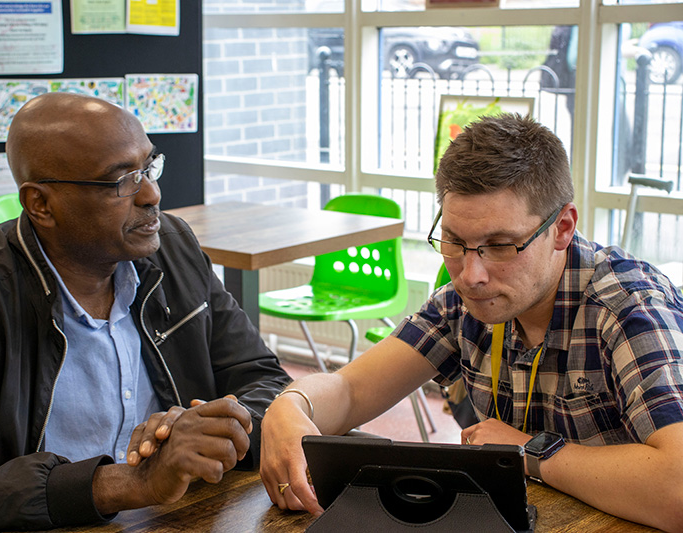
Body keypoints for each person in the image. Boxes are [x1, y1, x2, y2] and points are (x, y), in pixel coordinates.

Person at [0, 93, 291, 532]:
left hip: (177, 517)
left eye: (150, 168)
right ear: (41, 204)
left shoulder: (173, 248)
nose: (152, 194)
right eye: (123, 181)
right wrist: (125, 484)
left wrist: (214, 433)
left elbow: (265, 380)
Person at [260, 114, 683, 532]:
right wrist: (291, 406)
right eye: (454, 242)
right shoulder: (464, 303)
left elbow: (678, 489)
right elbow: (351, 390)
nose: (470, 274)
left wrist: (530, 452)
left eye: (500, 246)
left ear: (562, 228)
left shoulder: (629, 310)